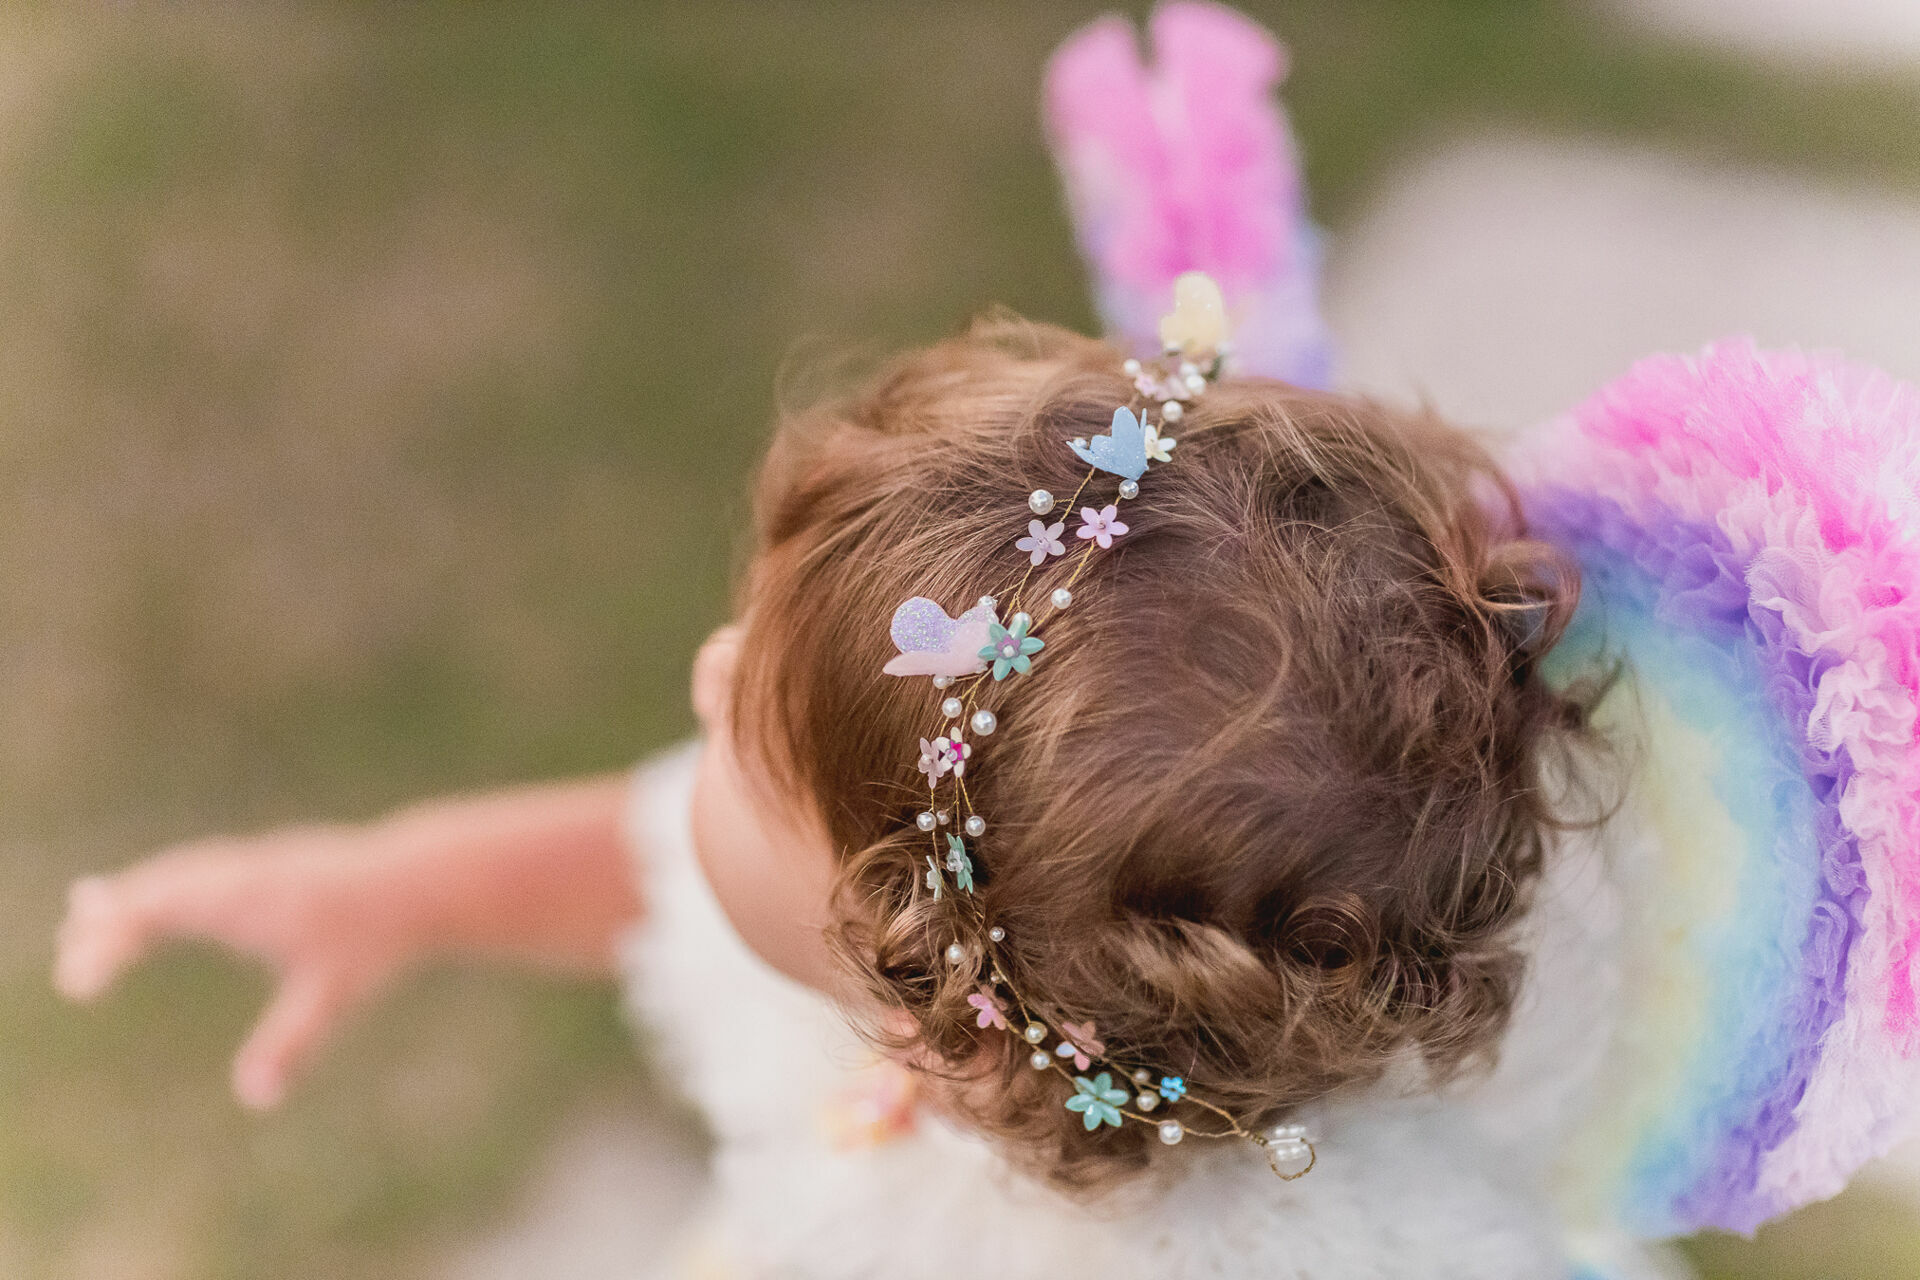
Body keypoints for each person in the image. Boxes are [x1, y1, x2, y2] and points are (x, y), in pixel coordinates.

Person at [50, 5, 1920, 1277]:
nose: (696, 691)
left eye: (737, 748)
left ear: (933, 1025)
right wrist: (393, 886)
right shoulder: (1010, 967)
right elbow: (654, 875)